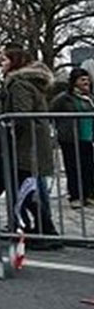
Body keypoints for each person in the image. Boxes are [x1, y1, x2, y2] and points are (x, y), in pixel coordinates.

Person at [0, 43, 61, 250]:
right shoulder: (31, 82)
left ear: (15, 62)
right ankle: (42, 229)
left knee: (26, 189)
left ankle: (44, 230)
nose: (1, 64)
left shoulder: (19, 84)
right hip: (35, 141)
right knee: (33, 186)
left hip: (26, 144)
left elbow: (21, 114)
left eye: (4, 60)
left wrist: (5, 125)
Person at [50, 67, 94, 209]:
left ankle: (88, 194)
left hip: (87, 136)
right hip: (70, 137)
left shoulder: (90, 98)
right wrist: (59, 127)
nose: (86, 82)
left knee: (88, 166)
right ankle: (75, 196)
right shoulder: (64, 98)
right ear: (74, 82)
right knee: (73, 166)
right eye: (82, 80)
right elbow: (51, 112)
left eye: (87, 80)